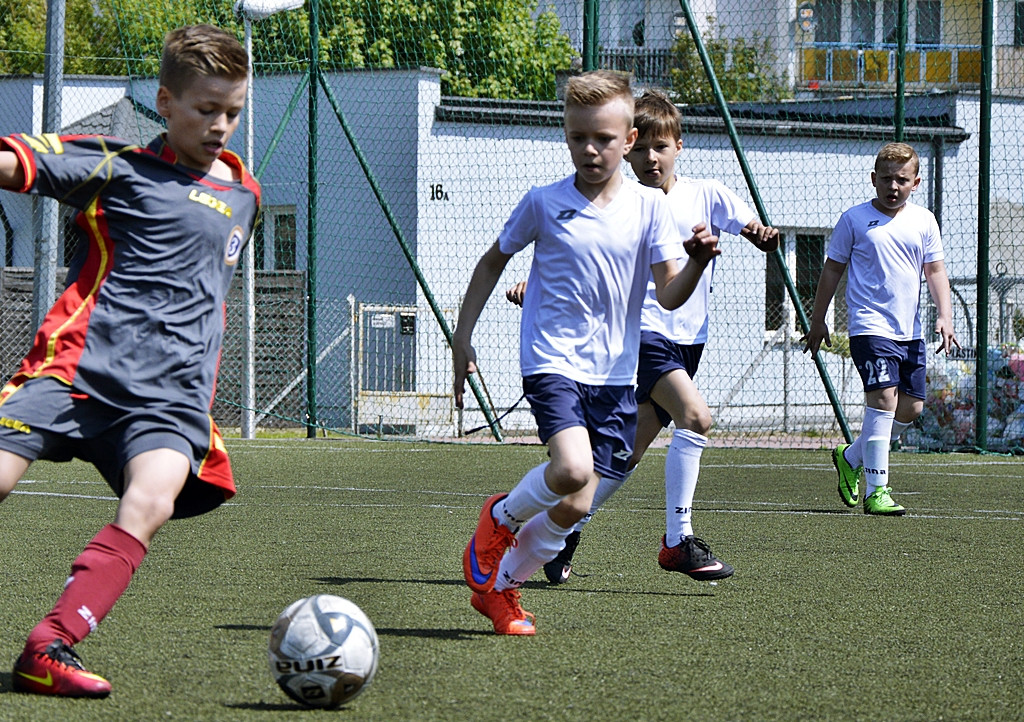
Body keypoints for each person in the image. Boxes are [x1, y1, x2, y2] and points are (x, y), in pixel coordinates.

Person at [0, 24, 259, 696]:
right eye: (206, 109)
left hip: (169, 402)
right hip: (77, 372)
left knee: (151, 500)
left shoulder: (245, 194)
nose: (221, 125)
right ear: (165, 102)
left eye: (233, 111)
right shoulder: (117, 166)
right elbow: (16, 164)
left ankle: (49, 646)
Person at [453, 71, 720, 635]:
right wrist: (462, 336)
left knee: (575, 505)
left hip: (616, 375)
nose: (590, 150)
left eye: (603, 138)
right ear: (567, 136)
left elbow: (669, 295)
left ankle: (500, 591)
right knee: (571, 469)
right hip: (552, 361)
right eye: (579, 138)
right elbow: (493, 262)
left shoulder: (650, 208)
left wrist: (697, 262)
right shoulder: (544, 203)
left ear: (629, 140)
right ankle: (500, 515)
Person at [509, 89, 779, 584]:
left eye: (662, 147)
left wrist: (763, 235)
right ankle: (678, 541)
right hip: (644, 336)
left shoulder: (708, 194)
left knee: (623, 456)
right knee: (696, 417)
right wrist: (537, 285)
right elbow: (582, 253)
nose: (651, 158)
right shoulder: (626, 204)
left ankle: (561, 533)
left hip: (689, 340)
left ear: (679, 146)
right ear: (628, 149)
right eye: (643, 149)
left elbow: (754, 229)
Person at [801, 141, 958, 515]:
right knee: (884, 400)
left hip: (910, 332)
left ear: (915, 182)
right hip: (869, 327)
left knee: (911, 408)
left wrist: (945, 315)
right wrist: (818, 319)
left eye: (901, 180)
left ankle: (851, 457)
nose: (893, 186)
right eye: (886, 179)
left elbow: (935, 270)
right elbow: (832, 269)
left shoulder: (924, 221)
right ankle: (877, 491)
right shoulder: (854, 219)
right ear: (874, 179)